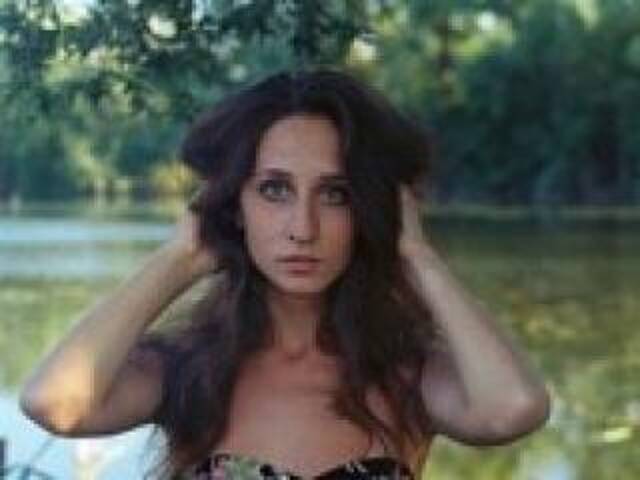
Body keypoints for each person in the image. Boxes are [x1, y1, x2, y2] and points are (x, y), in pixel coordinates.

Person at [20, 69, 550, 479]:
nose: (303, 228)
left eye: (335, 194)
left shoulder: (408, 375)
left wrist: (415, 255)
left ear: (370, 209)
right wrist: (181, 255)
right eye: (274, 190)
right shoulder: (186, 370)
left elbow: (513, 409)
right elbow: (53, 404)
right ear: (235, 204)